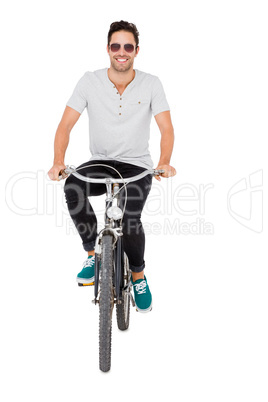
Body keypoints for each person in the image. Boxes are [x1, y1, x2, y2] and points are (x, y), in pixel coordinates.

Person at [48, 20, 176, 313]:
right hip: (101, 162)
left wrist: (164, 162)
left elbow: (166, 129)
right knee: (73, 187)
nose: (121, 52)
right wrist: (58, 161)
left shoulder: (151, 83)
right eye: (115, 46)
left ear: (136, 51)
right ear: (108, 49)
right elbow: (65, 125)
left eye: (127, 47)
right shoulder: (89, 81)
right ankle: (93, 252)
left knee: (130, 218)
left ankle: (139, 275)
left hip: (136, 166)